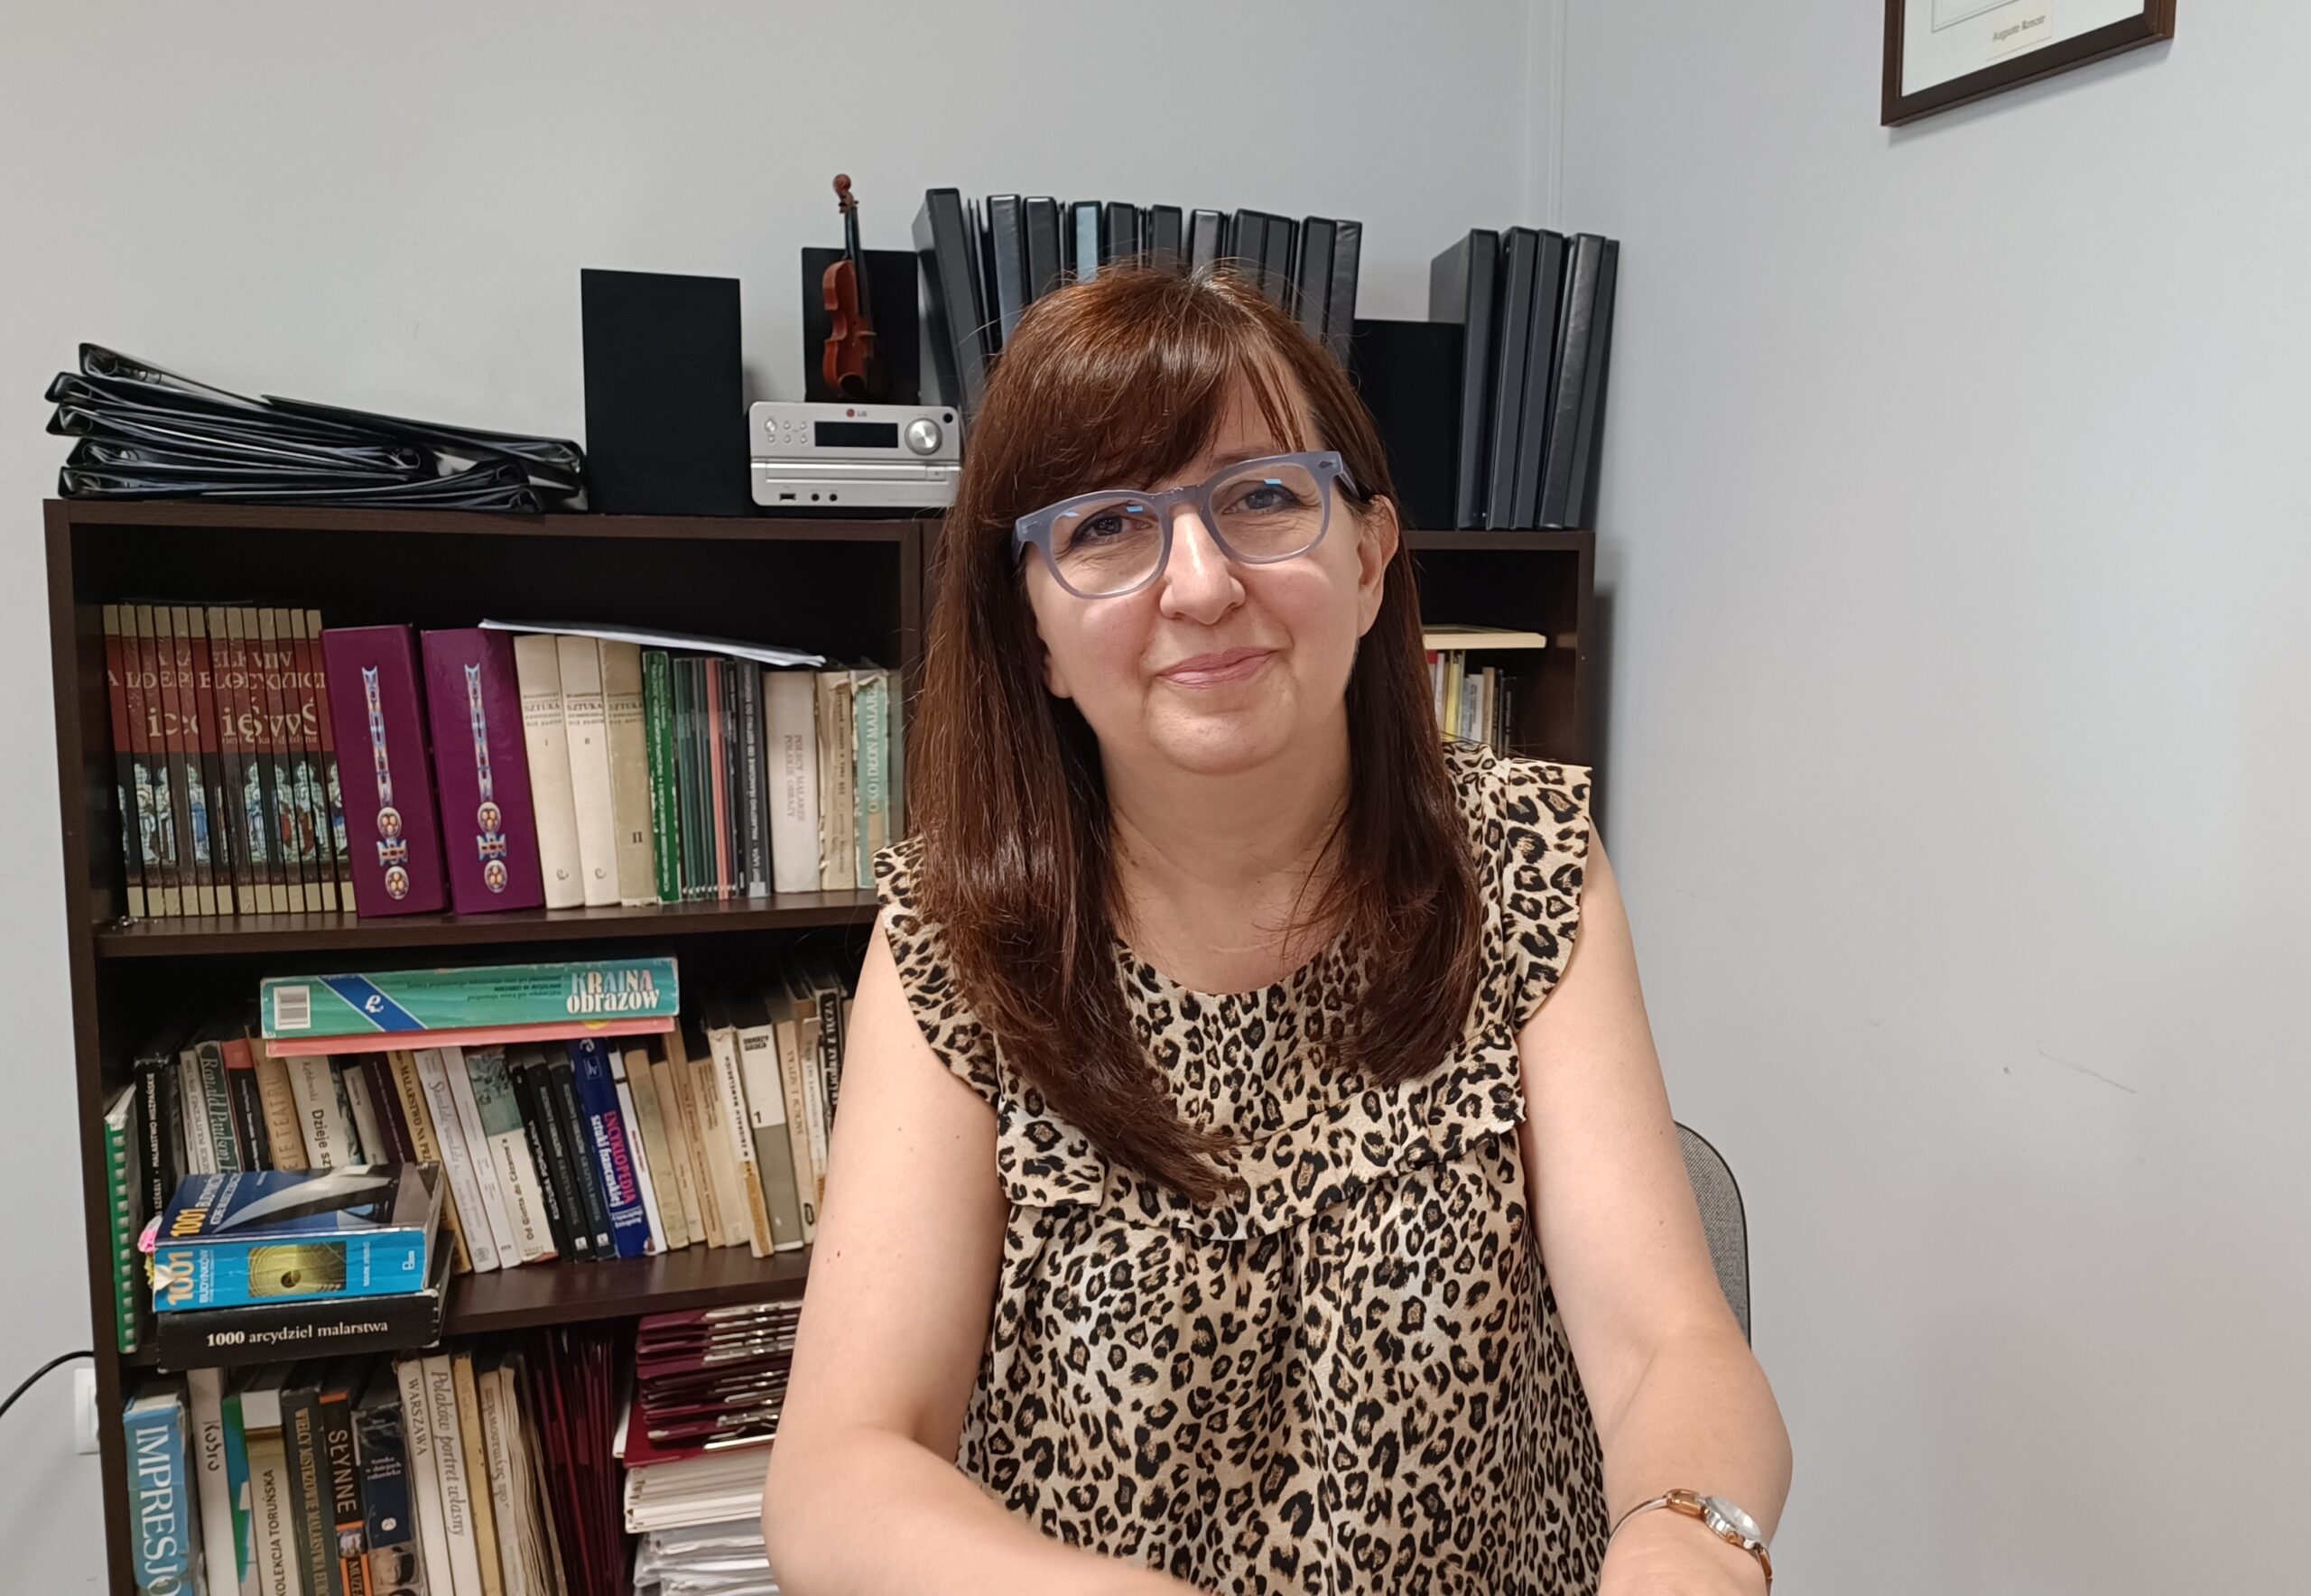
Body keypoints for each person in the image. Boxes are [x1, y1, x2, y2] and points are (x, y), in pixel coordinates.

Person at [761, 264, 1791, 1595]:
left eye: (1260, 499)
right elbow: (840, 1472)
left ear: (1367, 558)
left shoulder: (1522, 859)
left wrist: (1686, 1545)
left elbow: (1669, 1344)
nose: (1199, 586)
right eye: (1107, 526)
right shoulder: (956, 937)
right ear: (1035, 635)